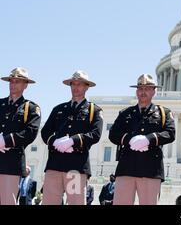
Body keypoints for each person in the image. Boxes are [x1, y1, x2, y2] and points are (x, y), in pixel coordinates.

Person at [109, 74, 175, 205]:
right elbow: (113, 134)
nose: (143, 92)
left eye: (147, 88)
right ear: (136, 91)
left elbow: (170, 133)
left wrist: (148, 139)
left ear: (154, 91)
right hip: (126, 167)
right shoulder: (125, 113)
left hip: (151, 169)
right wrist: (130, 140)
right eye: (140, 88)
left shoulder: (163, 113)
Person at [41, 70, 103, 205]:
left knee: (75, 202)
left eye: (79, 84)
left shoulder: (94, 111)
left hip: (76, 166)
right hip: (55, 164)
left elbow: (95, 134)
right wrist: (55, 142)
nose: (76, 87)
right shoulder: (58, 109)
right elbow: (45, 132)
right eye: (73, 84)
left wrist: (72, 141)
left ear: (87, 87)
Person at [0, 67, 41, 205]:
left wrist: (5, 141)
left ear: (25, 85)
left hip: (11, 163)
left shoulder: (30, 108)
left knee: (7, 201)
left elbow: (30, 132)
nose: (13, 84)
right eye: (11, 81)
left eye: (17, 81)